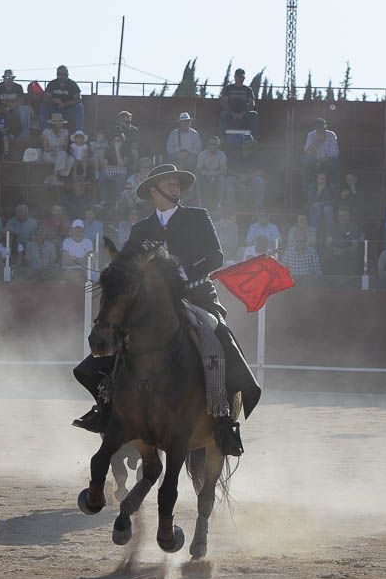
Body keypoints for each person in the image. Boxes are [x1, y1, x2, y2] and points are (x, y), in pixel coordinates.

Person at [71, 164, 261, 457]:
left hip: (197, 296)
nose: (176, 189)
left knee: (218, 337)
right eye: (170, 184)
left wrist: (188, 270)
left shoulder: (198, 217)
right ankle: (108, 408)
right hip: (153, 305)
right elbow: (129, 267)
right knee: (121, 342)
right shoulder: (140, 229)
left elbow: (216, 255)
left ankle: (223, 420)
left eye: (177, 184)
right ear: (154, 191)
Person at [225, 136, 265, 212]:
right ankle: (231, 209)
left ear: (252, 144)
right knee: (229, 180)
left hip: (251, 182)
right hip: (238, 182)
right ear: (241, 144)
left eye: (248, 143)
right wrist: (239, 175)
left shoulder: (258, 155)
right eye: (244, 143)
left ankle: (258, 209)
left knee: (260, 180)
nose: (246, 145)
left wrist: (249, 176)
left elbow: (262, 171)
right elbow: (228, 169)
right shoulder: (235, 154)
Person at [0, 70, 31, 136]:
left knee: (24, 109)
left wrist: (11, 107)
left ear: (13, 79)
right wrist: (3, 108)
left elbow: (21, 101)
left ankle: (25, 135)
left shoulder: (18, 87)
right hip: (0, 109)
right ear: (3, 78)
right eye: (6, 78)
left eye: (10, 78)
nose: (8, 80)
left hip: (15, 108)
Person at [42, 65, 85, 133]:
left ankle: (79, 133)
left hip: (68, 110)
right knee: (44, 106)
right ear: (57, 75)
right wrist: (53, 100)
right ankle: (44, 132)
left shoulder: (72, 84)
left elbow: (78, 99)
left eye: (64, 74)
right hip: (54, 109)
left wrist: (65, 104)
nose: (62, 76)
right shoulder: (52, 84)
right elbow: (45, 98)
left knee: (79, 107)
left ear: (67, 74)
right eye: (60, 74)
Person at [218, 68, 258, 138]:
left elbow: (252, 103)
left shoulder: (248, 89)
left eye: (242, 77)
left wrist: (243, 113)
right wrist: (232, 113)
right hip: (230, 113)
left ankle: (254, 138)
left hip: (244, 114)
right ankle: (221, 139)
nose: (240, 78)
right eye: (238, 76)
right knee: (223, 114)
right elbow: (223, 102)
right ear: (235, 77)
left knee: (254, 114)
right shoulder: (228, 88)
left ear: (244, 78)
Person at [302, 118, 340, 183]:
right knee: (306, 160)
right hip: (315, 159)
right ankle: (305, 187)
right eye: (317, 127)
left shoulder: (331, 135)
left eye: (321, 127)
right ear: (315, 128)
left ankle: (334, 187)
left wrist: (321, 161)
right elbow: (307, 152)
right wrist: (318, 141)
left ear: (325, 127)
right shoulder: (310, 135)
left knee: (335, 161)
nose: (319, 129)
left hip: (328, 159)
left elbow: (334, 153)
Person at [195, 136, 227, 209]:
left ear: (218, 145)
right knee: (197, 178)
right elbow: (198, 169)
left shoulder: (222, 155)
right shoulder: (202, 154)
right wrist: (206, 173)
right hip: (204, 176)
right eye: (210, 144)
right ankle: (199, 203)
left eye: (214, 144)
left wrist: (213, 174)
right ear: (207, 145)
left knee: (222, 179)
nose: (212, 146)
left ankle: (219, 203)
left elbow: (224, 170)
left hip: (217, 176)